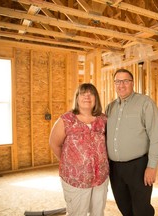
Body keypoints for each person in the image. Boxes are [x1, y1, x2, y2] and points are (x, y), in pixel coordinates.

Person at [106, 68, 158, 216]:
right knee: (124, 207)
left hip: (138, 166)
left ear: (132, 83)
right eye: (118, 81)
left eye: (126, 81)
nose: (122, 85)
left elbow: (157, 136)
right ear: (114, 84)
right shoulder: (110, 107)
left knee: (141, 209)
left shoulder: (145, 103)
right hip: (115, 168)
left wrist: (152, 166)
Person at [49, 83, 109, 216]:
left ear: (96, 98)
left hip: (100, 178)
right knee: (77, 213)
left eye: (91, 93)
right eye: (83, 93)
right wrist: (70, 163)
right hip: (75, 179)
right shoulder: (66, 120)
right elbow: (54, 144)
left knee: (98, 212)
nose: (87, 96)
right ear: (77, 98)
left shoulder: (103, 119)